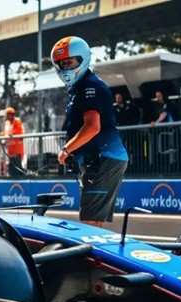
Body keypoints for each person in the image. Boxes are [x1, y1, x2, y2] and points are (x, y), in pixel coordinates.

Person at [51, 36, 128, 228]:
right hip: (97, 158)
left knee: (89, 222)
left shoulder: (89, 86)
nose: (65, 68)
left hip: (102, 158)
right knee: (92, 220)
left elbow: (93, 126)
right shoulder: (79, 88)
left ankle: (95, 258)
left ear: (82, 59)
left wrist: (67, 149)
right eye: (61, 64)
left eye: (69, 62)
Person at [0, 107, 25, 178]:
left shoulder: (17, 121)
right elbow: (6, 133)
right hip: (10, 151)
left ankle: (21, 180)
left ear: (11, 115)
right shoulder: (7, 123)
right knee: (11, 168)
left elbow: (20, 131)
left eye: (8, 115)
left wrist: (12, 134)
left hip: (17, 150)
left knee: (17, 167)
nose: (7, 116)